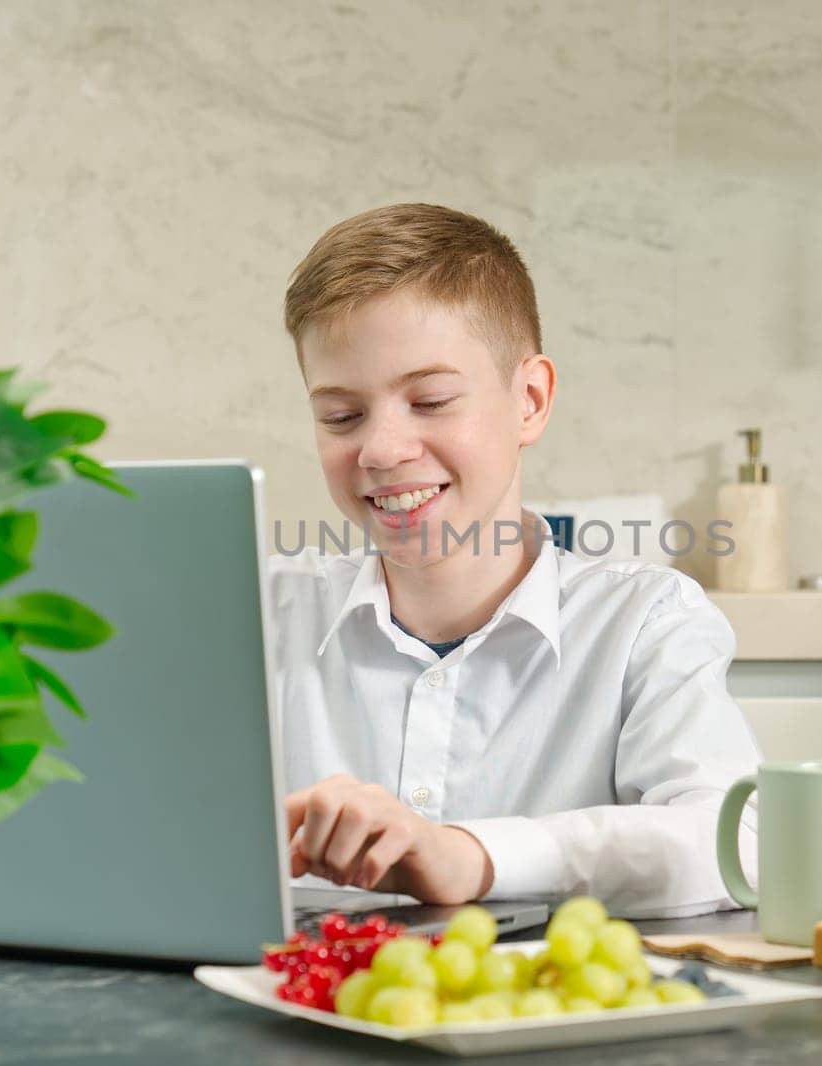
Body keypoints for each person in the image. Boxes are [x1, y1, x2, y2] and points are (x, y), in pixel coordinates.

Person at [270, 203, 759, 917]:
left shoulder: (643, 621)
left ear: (529, 399)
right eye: (341, 416)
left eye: (431, 400)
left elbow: (733, 841)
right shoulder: (259, 615)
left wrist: (470, 855)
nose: (380, 450)